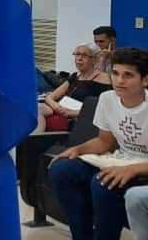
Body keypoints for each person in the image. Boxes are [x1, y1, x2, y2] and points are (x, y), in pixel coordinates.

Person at [48, 48, 148, 240]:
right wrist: (76, 150)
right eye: (115, 73)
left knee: (103, 183)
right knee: (61, 169)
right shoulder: (107, 99)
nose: (119, 80)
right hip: (120, 160)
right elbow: (104, 142)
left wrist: (133, 169)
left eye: (128, 75)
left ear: (144, 80)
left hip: (142, 167)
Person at [36, 43, 113, 132]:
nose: (79, 59)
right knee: (36, 108)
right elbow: (50, 97)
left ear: (94, 59)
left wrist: (72, 113)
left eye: (84, 55)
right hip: (62, 109)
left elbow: (104, 108)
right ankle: (31, 141)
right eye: (77, 54)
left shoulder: (103, 78)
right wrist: (56, 106)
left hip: (78, 115)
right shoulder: (75, 76)